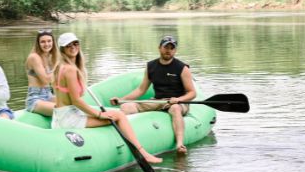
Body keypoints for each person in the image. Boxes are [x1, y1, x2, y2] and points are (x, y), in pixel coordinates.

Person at [52, 32, 162, 164]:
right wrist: (99, 115)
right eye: (68, 45)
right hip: (70, 119)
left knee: (113, 114)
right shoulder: (70, 69)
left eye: (75, 43)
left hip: (60, 116)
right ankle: (143, 153)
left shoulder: (59, 67)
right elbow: (76, 101)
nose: (73, 47)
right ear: (62, 48)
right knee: (120, 115)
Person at [110, 35, 196, 154]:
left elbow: (192, 93)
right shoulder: (151, 66)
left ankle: (180, 144)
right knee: (126, 107)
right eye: (166, 47)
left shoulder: (182, 68)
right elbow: (141, 90)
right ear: (159, 48)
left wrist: (178, 99)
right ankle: (118, 138)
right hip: (158, 101)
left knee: (175, 108)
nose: (168, 50)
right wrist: (121, 100)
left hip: (178, 103)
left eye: (172, 48)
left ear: (175, 50)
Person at [24, 29, 58, 116]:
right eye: (43, 42)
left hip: (49, 95)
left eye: (49, 41)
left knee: (72, 105)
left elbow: (55, 82)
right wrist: (58, 64)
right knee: (62, 110)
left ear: (53, 42)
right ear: (38, 44)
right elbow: (46, 80)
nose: (46, 44)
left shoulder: (50, 57)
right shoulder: (34, 57)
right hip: (35, 98)